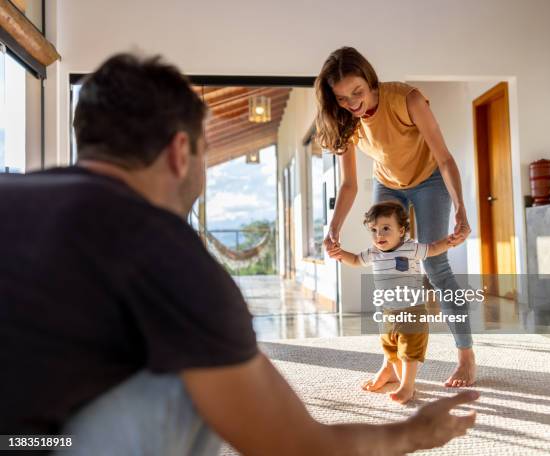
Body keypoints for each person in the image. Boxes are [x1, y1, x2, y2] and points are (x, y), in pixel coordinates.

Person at [0, 53, 478, 455]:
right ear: (180, 150)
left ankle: (463, 352)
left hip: (18, 436)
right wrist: (414, 433)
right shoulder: (170, 256)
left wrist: (456, 206)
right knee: (194, 391)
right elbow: (297, 445)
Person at [315, 46, 476, 388]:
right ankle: (391, 360)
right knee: (386, 270)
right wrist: (333, 228)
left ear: (371, 81)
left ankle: (465, 356)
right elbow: (348, 183)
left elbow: (444, 158)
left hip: (430, 180)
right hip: (388, 183)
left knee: (435, 266)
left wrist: (460, 206)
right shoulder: (346, 121)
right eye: (342, 98)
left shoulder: (407, 99)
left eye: (357, 92)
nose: (352, 103)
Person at [330, 201, 464, 404]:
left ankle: (407, 387)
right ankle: (394, 376)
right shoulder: (373, 252)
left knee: (409, 351)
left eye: (385, 229)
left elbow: (435, 248)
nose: (379, 235)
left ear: (401, 231)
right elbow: (357, 260)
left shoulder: (411, 248)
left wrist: (451, 241)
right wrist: (340, 254)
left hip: (412, 310)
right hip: (387, 311)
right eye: (374, 230)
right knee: (391, 347)